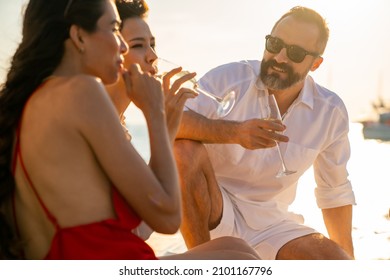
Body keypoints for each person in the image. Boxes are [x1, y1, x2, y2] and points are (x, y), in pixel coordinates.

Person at [0, 0, 259, 260]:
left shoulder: (40, 98)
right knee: (242, 261)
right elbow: (167, 218)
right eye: (114, 30)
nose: (121, 45)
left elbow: (139, 216)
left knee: (238, 248)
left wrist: (166, 123)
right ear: (79, 36)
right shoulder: (82, 91)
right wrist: (155, 115)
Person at [174, 6, 356, 260]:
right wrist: (234, 133)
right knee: (182, 149)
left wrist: (350, 265)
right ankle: (202, 265)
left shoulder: (330, 112)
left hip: (273, 223)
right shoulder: (229, 78)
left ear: (315, 63)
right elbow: (172, 123)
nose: (280, 57)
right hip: (214, 209)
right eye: (274, 44)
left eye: (295, 52)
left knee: (333, 260)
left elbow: (334, 191)